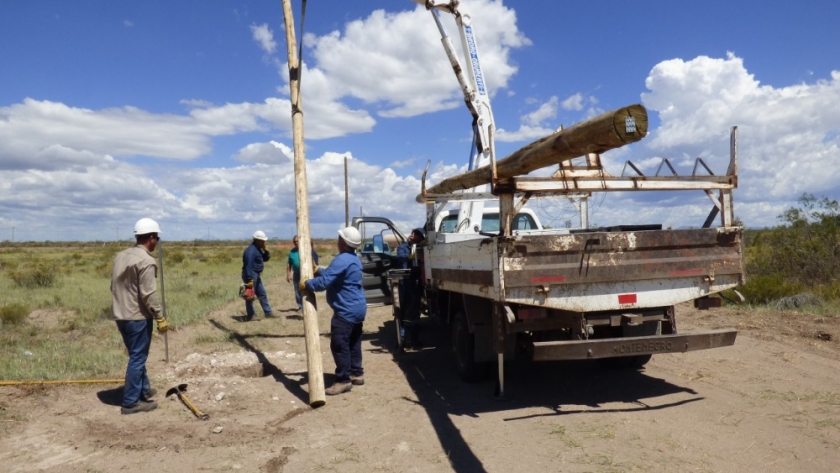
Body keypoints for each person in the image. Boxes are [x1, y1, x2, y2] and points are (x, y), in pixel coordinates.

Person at [110, 218, 168, 415]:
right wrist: (159, 316)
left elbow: (113, 286)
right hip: (138, 317)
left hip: (121, 315)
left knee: (136, 355)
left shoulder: (121, 256)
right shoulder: (146, 260)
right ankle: (131, 402)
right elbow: (149, 294)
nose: (157, 241)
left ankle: (143, 389)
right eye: (157, 238)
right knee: (138, 357)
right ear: (151, 238)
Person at [301, 227, 366, 396]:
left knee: (339, 345)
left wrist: (308, 284)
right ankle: (356, 373)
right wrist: (318, 270)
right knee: (353, 342)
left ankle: (343, 380)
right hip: (357, 309)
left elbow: (323, 283)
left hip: (345, 311)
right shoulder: (354, 258)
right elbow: (334, 274)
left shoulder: (342, 258)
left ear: (342, 242)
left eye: (339, 239)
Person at [395, 227, 426, 348]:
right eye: (419, 236)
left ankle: (414, 340)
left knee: (414, 314)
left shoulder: (420, 248)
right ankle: (401, 340)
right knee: (402, 312)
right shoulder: (403, 247)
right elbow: (401, 258)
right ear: (413, 235)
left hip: (415, 284)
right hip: (404, 284)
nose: (420, 239)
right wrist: (411, 256)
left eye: (421, 237)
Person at [241, 230, 273, 321]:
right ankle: (251, 316)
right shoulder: (250, 251)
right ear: (257, 240)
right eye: (263, 241)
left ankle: (268, 312)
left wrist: (266, 251)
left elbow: (265, 259)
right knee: (249, 296)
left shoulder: (257, 249)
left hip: (256, 275)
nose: (264, 243)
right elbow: (248, 265)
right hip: (251, 274)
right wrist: (249, 278)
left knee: (262, 294)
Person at [286, 235, 319, 311]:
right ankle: (301, 307)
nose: (296, 243)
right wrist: (288, 274)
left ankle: (310, 306)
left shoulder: (306, 250)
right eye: (294, 242)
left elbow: (315, 262)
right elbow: (289, 264)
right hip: (297, 272)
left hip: (306, 272)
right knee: (297, 290)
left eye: (297, 241)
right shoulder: (292, 252)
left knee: (308, 289)